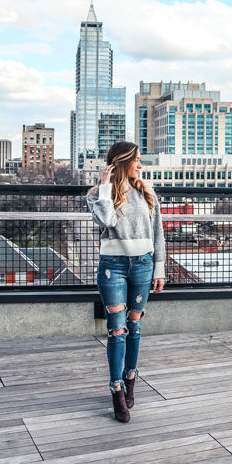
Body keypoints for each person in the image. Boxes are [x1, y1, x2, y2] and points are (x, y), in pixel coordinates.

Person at [87, 141, 165, 422]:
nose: (141, 165)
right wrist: (105, 186)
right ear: (121, 162)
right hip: (113, 267)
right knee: (116, 329)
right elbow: (106, 221)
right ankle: (116, 388)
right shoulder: (98, 194)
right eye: (136, 160)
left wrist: (159, 269)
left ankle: (131, 376)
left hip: (143, 265)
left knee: (134, 325)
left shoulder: (147, 191)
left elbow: (158, 233)